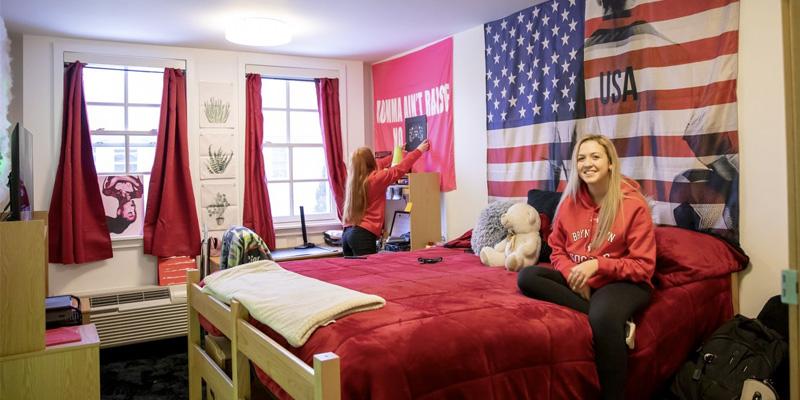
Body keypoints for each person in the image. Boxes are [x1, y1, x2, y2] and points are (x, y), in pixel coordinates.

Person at [517, 134, 656, 400]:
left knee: (603, 318)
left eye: (595, 157)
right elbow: (556, 248)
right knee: (527, 276)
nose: (587, 164)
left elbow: (644, 266)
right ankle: (621, 326)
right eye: (581, 158)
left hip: (624, 282)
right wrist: (572, 275)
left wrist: (597, 265)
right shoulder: (570, 202)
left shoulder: (633, 205)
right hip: (582, 278)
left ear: (610, 163)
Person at [341, 139, 430, 256]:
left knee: (354, 273)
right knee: (369, 274)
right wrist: (419, 150)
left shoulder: (354, 181)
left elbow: (379, 164)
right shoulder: (375, 179)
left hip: (347, 234)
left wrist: (396, 155)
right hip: (362, 235)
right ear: (371, 162)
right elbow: (399, 169)